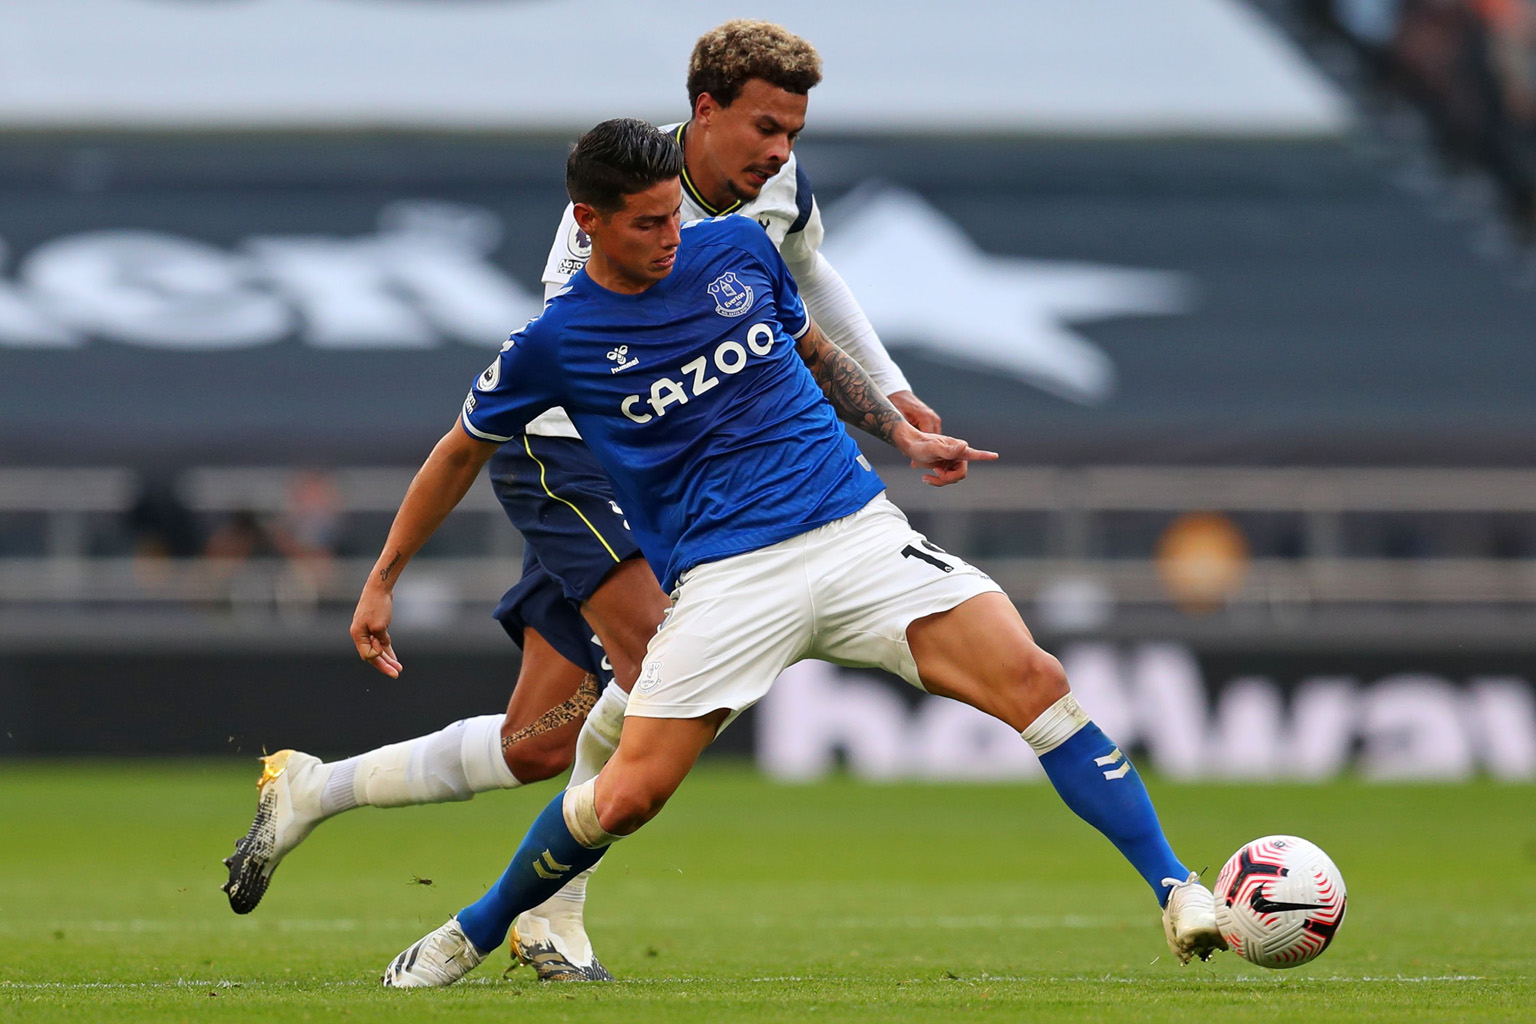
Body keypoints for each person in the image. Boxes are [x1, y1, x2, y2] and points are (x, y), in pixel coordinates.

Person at [362, 118, 1225, 988]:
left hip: (856, 534)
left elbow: (813, 348)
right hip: (728, 580)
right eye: (647, 224)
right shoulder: (554, 342)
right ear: (588, 221)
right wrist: (383, 580)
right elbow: (457, 454)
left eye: (673, 216)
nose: (670, 238)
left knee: (1035, 679)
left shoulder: (738, 247)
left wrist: (900, 432)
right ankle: (471, 933)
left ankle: (1176, 887)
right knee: (627, 798)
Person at [221, 19, 938, 982]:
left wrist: (890, 392)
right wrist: (384, 575)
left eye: (793, 133)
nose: (780, 152)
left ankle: (313, 789)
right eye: (765, 127)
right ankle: (551, 916)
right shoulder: (613, 209)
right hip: (578, 461)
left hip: (668, 473)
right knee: (666, 667)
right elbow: (578, 362)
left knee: (538, 744)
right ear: (705, 112)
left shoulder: (778, 195)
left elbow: (812, 279)